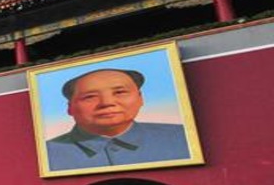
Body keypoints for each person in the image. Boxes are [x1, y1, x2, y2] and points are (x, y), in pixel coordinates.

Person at [46, 68, 190, 170]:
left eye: (120, 92)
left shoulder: (182, 137)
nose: (107, 103)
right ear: (70, 108)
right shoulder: (47, 153)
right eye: (90, 97)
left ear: (140, 98)